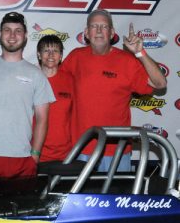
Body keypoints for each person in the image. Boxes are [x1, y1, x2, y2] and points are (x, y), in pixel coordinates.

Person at [59, 9, 167, 172]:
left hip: (117, 151)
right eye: (94, 26)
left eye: (104, 26)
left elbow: (160, 83)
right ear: (87, 33)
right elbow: (55, 86)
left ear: (112, 33)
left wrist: (140, 52)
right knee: (80, 198)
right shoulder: (75, 57)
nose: (99, 31)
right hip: (81, 149)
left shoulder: (127, 61)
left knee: (117, 197)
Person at [0, 12, 55, 180]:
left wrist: (35, 154)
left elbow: (42, 119)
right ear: (0, 34)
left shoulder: (36, 74)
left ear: (26, 36)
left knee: (20, 207)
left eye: (18, 30)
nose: (12, 35)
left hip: (21, 157)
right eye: (7, 30)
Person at [36, 35, 73, 162]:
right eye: (46, 50)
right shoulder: (30, 79)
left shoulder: (71, 80)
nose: (51, 55)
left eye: (55, 51)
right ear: (39, 55)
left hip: (66, 155)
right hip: (34, 153)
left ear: (61, 56)